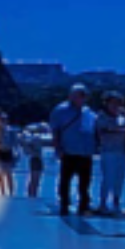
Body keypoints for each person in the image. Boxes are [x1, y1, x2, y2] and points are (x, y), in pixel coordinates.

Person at [48, 84, 99, 216]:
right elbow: (55, 130)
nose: (81, 98)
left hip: (85, 151)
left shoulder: (89, 113)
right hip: (68, 150)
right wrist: (57, 147)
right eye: (79, 95)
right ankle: (64, 203)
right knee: (66, 179)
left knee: (85, 181)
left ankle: (83, 204)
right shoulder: (61, 110)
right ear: (71, 96)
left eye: (83, 95)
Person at [95, 92, 125, 216]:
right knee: (108, 179)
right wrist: (122, 130)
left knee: (119, 179)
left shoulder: (122, 117)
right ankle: (103, 204)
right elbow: (104, 130)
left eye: (118, 103)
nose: (116, 105)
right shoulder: (101, 117)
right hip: (108, 152)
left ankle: (116, 204)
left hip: (121, 152)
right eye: (113, 102)